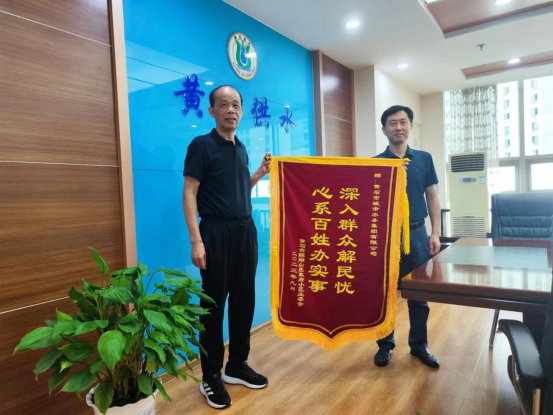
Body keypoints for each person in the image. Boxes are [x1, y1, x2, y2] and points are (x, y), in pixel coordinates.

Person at [183, 85, 271, 409]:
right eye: (223, 104)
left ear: (241, 111)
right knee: (214, 307)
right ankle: (210, 376)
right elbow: (190, 192)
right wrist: (197, 240)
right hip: (215, 233)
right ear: (212, 111)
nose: (230, 110)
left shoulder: (242, 148)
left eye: (235, 105)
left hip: (245, 231)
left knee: (244, 300)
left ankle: (237, 365)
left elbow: (239, 187)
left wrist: (259, 173)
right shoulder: (201, 145)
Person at [373, 105, 441, 369]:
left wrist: (435, 233)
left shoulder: (424, 159)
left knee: (418, 292)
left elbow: (432, 197)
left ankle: (419, 345)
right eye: (392, 123)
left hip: (417, 233)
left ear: (410, 126)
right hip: (385, 236)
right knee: (384, 293)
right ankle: (385, 345)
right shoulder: (376, 163)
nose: (398, 127)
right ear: (384, 130)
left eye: (403, 122)